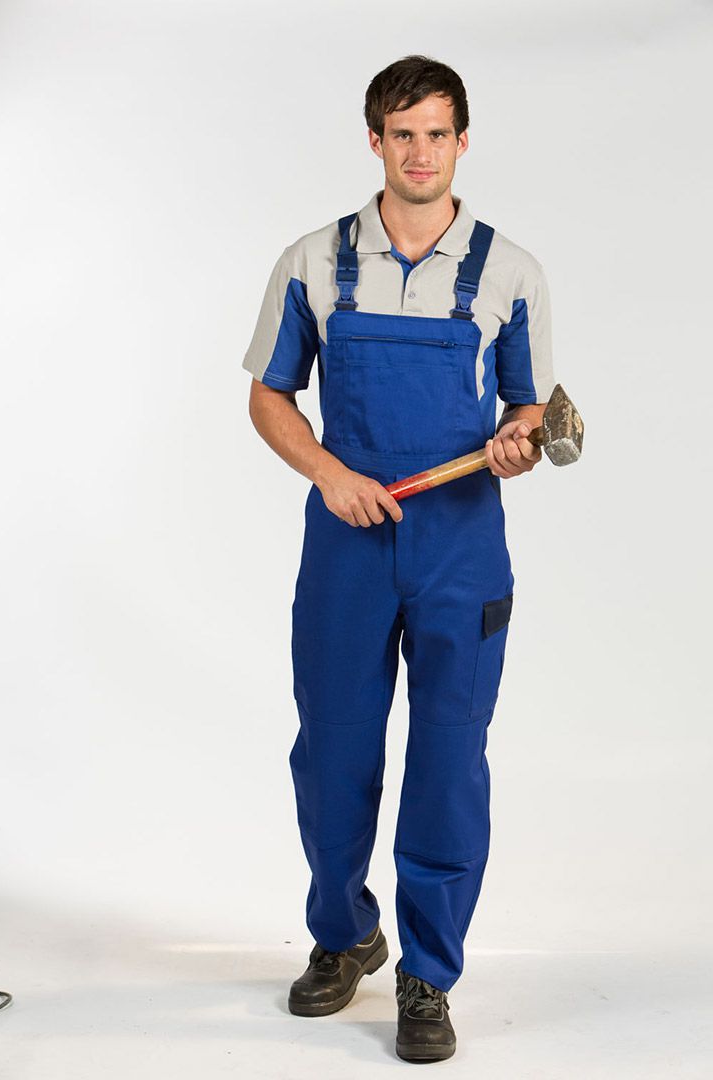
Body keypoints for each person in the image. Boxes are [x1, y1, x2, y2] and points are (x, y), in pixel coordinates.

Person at [242, 54, 556, 1064]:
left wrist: (517, 444)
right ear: (374, 140)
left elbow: (530, 412)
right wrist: (328, 473)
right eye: (403, 134)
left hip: (461, 547)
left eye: (438, 134)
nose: (421, 153)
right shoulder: (313, 261)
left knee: (449, 763)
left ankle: (429, 975)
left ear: (463, 141)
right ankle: (346, 935)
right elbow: (268, 396)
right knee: (333, 755)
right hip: (348, 538)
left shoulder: (510, 271)